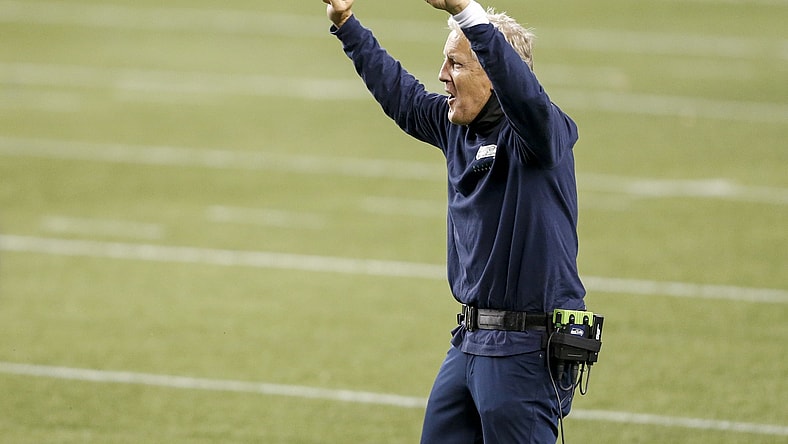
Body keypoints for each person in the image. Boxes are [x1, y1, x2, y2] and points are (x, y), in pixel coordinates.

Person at [322, 0, 586, 442]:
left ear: (495, 74)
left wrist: (467, 12)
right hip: (470, 339)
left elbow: (526, 97)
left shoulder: (540, 135)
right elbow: (402, 96)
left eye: (457, 64)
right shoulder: (457, 128)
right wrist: (347, 24)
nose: (443, 74)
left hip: (526, 346)